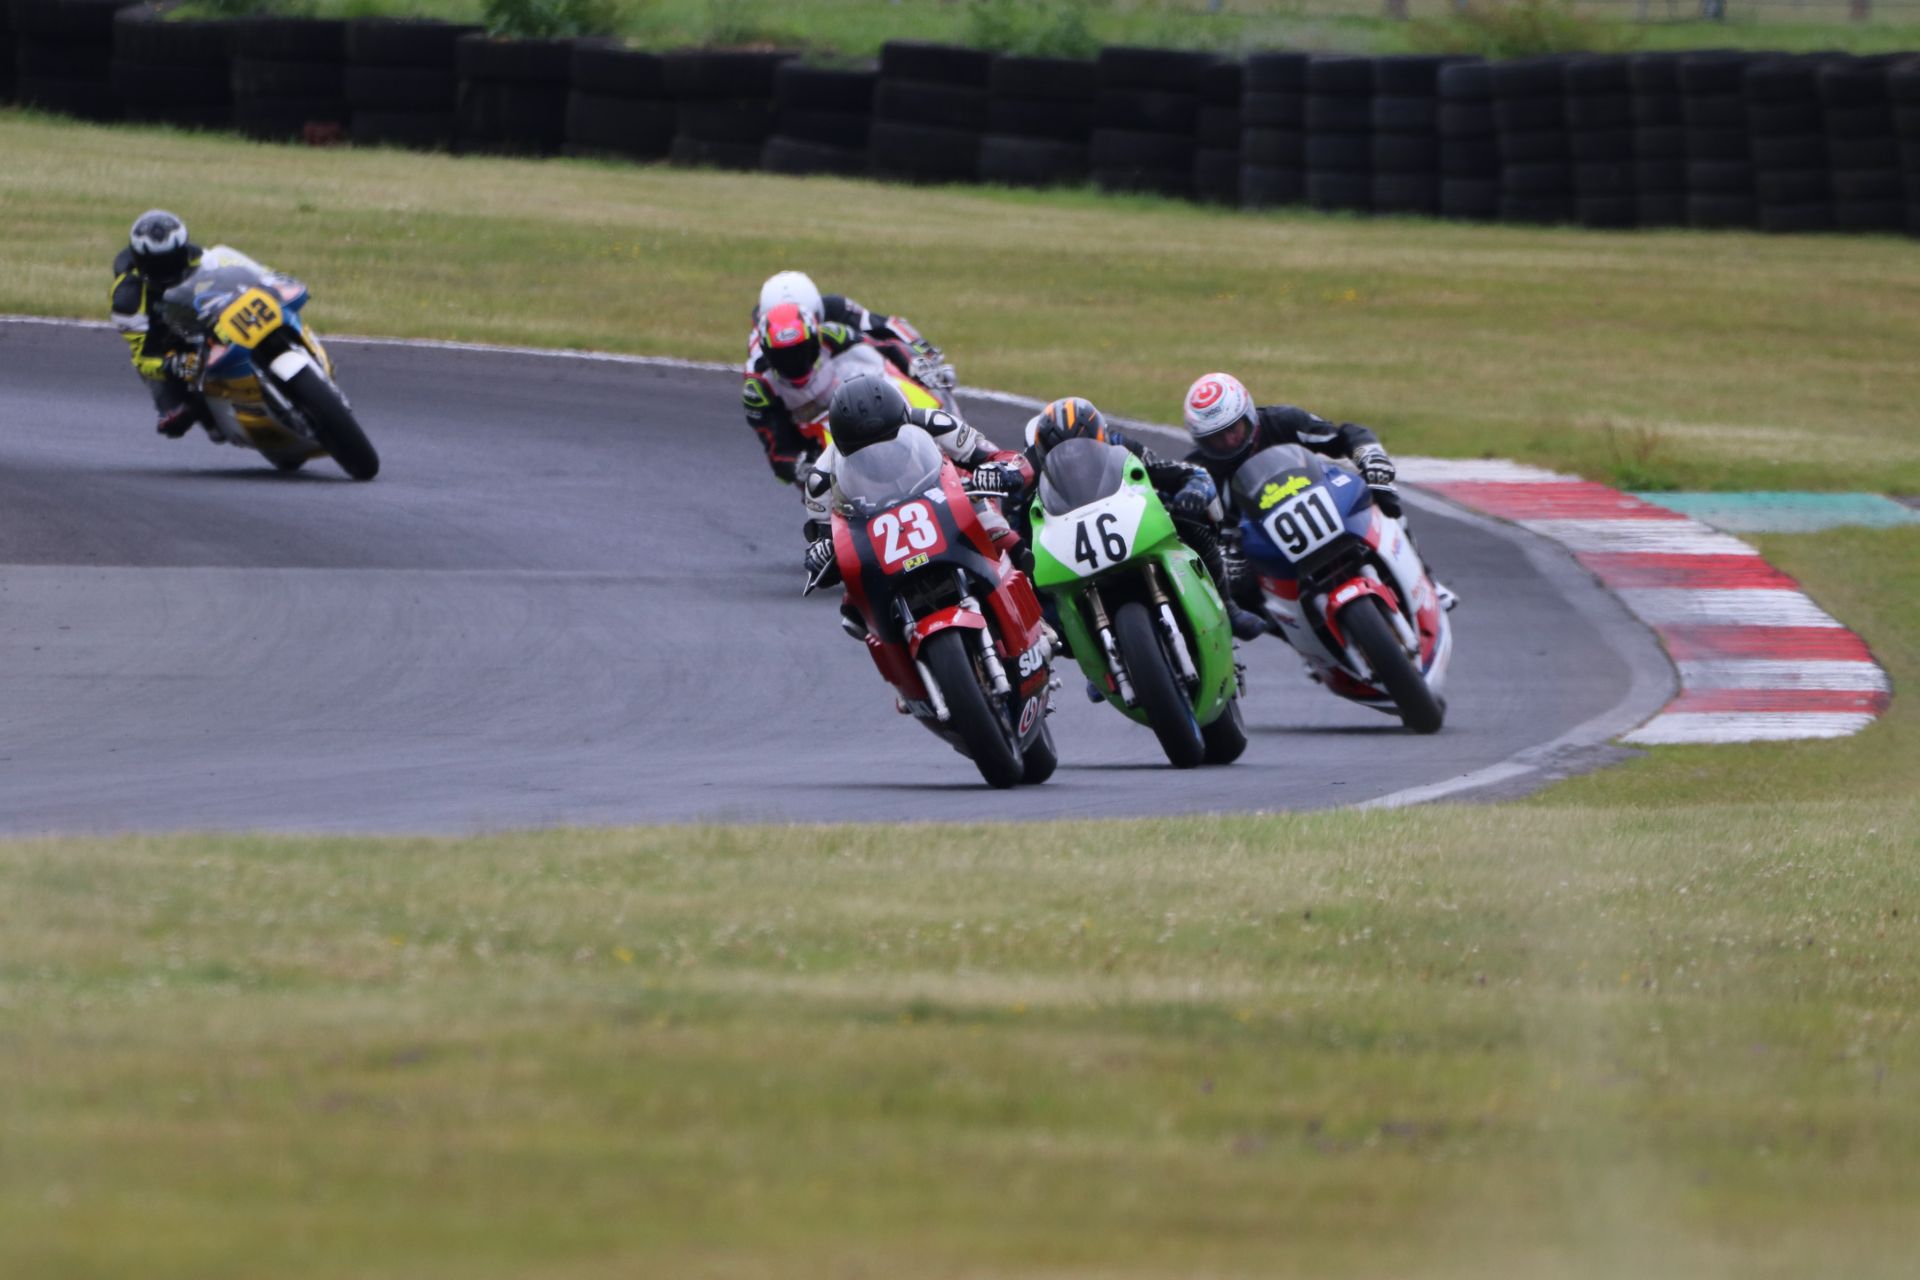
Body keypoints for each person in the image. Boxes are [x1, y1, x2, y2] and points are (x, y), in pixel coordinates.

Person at [1180, 371, 1458, 612]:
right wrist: (1217, 551)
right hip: (1260, 546)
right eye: (1216, 438)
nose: (1228, 442)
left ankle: (1426, 579)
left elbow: (1343, 435)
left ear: (1249, 416)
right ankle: (1306, 649)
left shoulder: (1282, 420)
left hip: (1322, 504)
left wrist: (1370, 457)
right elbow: (1184, 526)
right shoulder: (1197, 470)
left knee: (1382, 499)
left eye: (1234, 430)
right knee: (1237, 591)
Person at [1016, 397, 1269, 643]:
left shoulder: (1120, 445)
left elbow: (1185, 473)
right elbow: (1007, 525)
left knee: (1188, 516)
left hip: (1128, 527)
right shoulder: (1028, 473)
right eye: (1061, 452)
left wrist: (1193, 491)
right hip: (1069, 555)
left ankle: (1227, 605)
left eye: (1082, 444)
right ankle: (1102, 670)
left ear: (1100, 435)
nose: (1074, 458)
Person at [801, 374, 1031, 596]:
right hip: (877, 535)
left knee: (1003, 539)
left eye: (891, 441)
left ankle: (1040, 624)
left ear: (905, 421)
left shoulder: (935, 423)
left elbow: (1002, 457)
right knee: (852, 606)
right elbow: (825, 542)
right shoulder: (820, 479)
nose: (881, 457)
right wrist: (820, 553)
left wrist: (1001, 471)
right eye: (864, 452)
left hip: (951, 501)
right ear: (842, 448)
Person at [753, 269, 954, 393]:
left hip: (858, 378)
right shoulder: (758, 345)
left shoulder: (836, 308)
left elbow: (888, 325)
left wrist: (925, 354)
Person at [111, 209, 207, 438]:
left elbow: (231, 270)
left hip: (207, 318)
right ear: (140, 261)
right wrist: (171, 365)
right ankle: (169, 408)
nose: (167, 269)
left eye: (172, 260)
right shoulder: (127, 298)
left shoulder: (198, 257)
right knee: (172, 406)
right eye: (158, 264)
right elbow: (141, 356)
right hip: (166, 339)